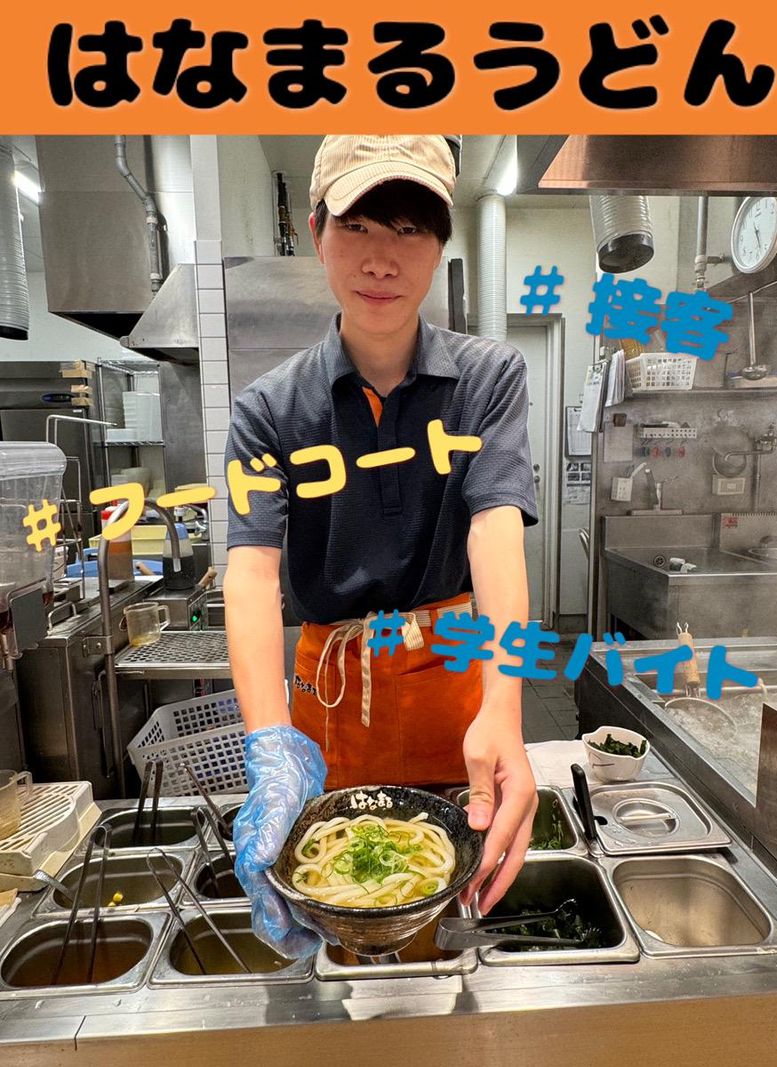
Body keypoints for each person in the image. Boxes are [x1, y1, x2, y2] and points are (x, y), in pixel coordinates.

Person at [224, 135, 539, 959]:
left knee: (447, 913)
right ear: (317, 231)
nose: (380, 257)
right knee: (331, 909)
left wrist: (504, 709)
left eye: (408, 228)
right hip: (329, 695)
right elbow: (250, 572)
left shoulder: (489, 378)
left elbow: (495, 528)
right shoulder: (267, 408)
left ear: (440, 244)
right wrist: (270, 746)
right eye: (358, 224)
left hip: (454, 684)